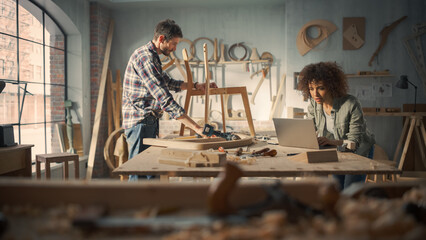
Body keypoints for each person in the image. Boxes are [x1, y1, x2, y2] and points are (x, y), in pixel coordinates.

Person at [121, 19, 217, 180]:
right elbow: (164, 99)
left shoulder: (152, 55)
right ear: (161, 39)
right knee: (139, 173)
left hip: (148, 121)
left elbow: (169, 82)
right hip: (140, 122)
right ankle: (137, 205)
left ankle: (153, 206)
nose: (175, 48)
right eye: (173, 44)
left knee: (151, 172)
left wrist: (195, 85)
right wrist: (197, 128)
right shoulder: (146, 58)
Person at [297, 62, 375, 190]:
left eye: (320, 88)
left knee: (350, 191)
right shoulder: (314, 104)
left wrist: (330, 141)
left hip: (360, 151)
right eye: (311, 88)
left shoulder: (351, 103)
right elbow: (309, 129)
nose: (315, 94)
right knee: (337, 189)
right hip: (337, 150)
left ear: (331, 86)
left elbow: (354, 142)